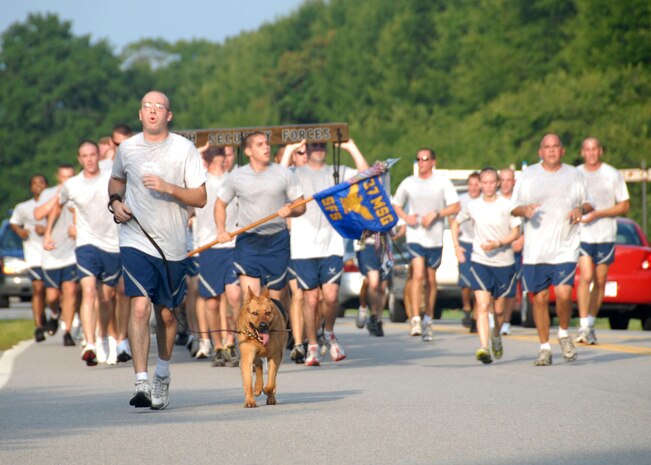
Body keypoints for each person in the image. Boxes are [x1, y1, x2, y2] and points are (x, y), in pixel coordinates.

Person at [109, 91, 206, 409]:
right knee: (139, 307)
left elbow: (200, 198)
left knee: (166, 315)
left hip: (173, 245)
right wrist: (115, 202)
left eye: (159, 107)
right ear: (140, 115)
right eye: (147, 107)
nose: (152, 112)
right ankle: (141, 382)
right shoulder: (127, 148)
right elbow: (115, 180)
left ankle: (162, 374)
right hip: (135, 238)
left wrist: (169, 188)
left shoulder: (184, 148)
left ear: (169, 115)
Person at [511, 133, 593, 366]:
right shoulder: (529, 176)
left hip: (565, 246)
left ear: (563, 151)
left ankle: (564, 333)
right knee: (540, 299)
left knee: (564, 294)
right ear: (540, 152)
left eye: (556, 146)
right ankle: (544, 347)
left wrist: (580, 209)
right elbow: (513, 207)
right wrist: (524, 210)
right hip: (536, 249)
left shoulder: (574, 174)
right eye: (547, 147)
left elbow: (589, 202)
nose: (551, 150)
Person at [289, 139, 368, 366]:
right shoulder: (296, 172)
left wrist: (350, 146)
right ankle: (312, 345)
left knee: (331, 297)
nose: (320, 149)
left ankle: (329, 333)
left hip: (332, 243)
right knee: (311, 299)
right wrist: (289, 150)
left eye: (322, 145)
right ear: (306, 150)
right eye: (314, 146)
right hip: (304, 245)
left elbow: (365, 174)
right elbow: (278, 177)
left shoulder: (337, 170)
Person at [48, 140, 121, 366]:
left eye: (92, 155)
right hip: (86, 244)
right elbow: (57, 206)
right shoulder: (72, 184)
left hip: (112, 245)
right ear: (79, 159)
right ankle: (89, 343)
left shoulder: (111, 177)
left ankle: (103, 338)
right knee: (88, 291)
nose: (89, 159)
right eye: (84, 156)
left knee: (106, 299)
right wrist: (49, 233)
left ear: (98, 156)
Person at [215, 131, 305, 309]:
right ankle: (252, 337)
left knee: (275, 301)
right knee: (251, 301)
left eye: (266, 143)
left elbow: (301, 206)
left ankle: (276, 335)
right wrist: (221, 230)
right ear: (248, 151)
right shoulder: (237, 176)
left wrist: (291, 212)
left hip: (277, 241)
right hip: (249, 241)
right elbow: (219, 205)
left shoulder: (284, 174)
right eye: (260, 144)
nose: (266, 147)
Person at [451, 167, 521, 364]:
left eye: (492, 182)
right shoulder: (473, 206)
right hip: (480, 260)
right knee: (482, 305)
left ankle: (496, 335)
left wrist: (499, 243)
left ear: (497, 183)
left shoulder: (507, 205)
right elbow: (455, 223)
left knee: (498, 310)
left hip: (504, 262)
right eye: (485, 182)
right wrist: (456, 246)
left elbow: (516, 232)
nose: (489, 186)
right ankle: (483, 347)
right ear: (480, 184)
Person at [392, 148, 460, 341]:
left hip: (435, 238)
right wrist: (406, 218)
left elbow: (456, 206)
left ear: (433, 162)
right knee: (418, 274)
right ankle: (415, 318)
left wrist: (436, 214)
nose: (422, 162)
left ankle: (428, 318)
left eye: (425, 159)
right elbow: (396, 204)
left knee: (430, 280)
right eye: (419, 159)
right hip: (415, 236)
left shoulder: (442, 183)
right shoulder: (409, 182)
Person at [576, 137, 630, 344]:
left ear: (600, 151)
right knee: (586, 276)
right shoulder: (576, 174)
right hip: (583, 234)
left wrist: (599, 213)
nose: (591, 153)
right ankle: (582, 325)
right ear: (582, 152)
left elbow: (624, 206)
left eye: (595, 149)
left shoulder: (611, 174)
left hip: (605, 235)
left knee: (599, 280)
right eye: (587, 149)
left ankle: (590, 323)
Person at [194, 147, 242, 367]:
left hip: (232, 244)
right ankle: (218, 346)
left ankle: (231, 341)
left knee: (234, 295)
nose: (224, 161)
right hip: (208, 246)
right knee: (212, 303)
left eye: (226, 157)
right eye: (221, 158)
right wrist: (198, 151)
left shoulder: (234, 179)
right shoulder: (198, 180)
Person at [38, 164, 78, 346]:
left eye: (70, 176)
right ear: (58, 177)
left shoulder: (78, 190)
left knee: (70, 290)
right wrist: (58, 196)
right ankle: (54, 314)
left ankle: (67, 332)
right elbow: (38, 214)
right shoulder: (48, 193)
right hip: (52, 253)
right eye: (64, 177)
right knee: (52, 297)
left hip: (72, 251)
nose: (67, 180)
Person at [279, 140, 310, 363]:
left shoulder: (323, 173)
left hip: (316, 244)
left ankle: (313, 336)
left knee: (314, 298)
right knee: (297, 294)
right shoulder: (289, 174)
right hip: (293, 242)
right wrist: (289, 149)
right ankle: (299, 343)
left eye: (306, 152)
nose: (305, 156)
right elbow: (276, 177)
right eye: (300, 153)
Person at [10, 174, 49, 342]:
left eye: (41, 183)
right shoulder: (23, 207)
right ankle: (39, 326)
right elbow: (14, 222)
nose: (38, 186)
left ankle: (51, 314)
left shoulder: (54, 204)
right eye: (34, 183)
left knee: (53, 293)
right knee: (38, 288)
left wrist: (46, 230)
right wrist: (21, 232)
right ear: (30, 187)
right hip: (34, 254)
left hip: (54, 254)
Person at [498, 167, 524, 335]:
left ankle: (506, 322)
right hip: (495, 250)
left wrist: (522, 238)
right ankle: (494, 318)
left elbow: (529, 223)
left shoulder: (520, 202)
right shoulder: (494, 199)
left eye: (509, 180)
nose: (506, 183)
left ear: (514, 181)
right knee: (494, 289)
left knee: (510, 290)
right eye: (503, 180)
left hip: (513, 251)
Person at [456, 172, 481, 331]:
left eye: (476, 184)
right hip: (465, 242)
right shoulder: (462, 199)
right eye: (470, 184)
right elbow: (454, 219)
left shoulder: (484, 199)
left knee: (478, 284)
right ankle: (466, 308)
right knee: (466, 283)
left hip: (480, 244)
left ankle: (475, 317)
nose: (473, 187)